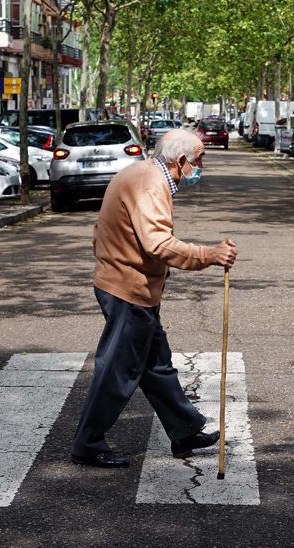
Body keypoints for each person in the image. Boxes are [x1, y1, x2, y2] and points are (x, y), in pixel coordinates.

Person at [70, 129, 238, 468]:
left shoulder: (142, 173)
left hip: (130, 285)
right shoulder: (150, 184)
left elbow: (100, 230)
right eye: (198, 160)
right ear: (179, 162)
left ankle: (185, 430)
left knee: (156, 365)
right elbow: (158, 244)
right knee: (118, 371)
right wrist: (209, 254)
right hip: (127, 289)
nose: (201, 166)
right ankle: (87, 443)